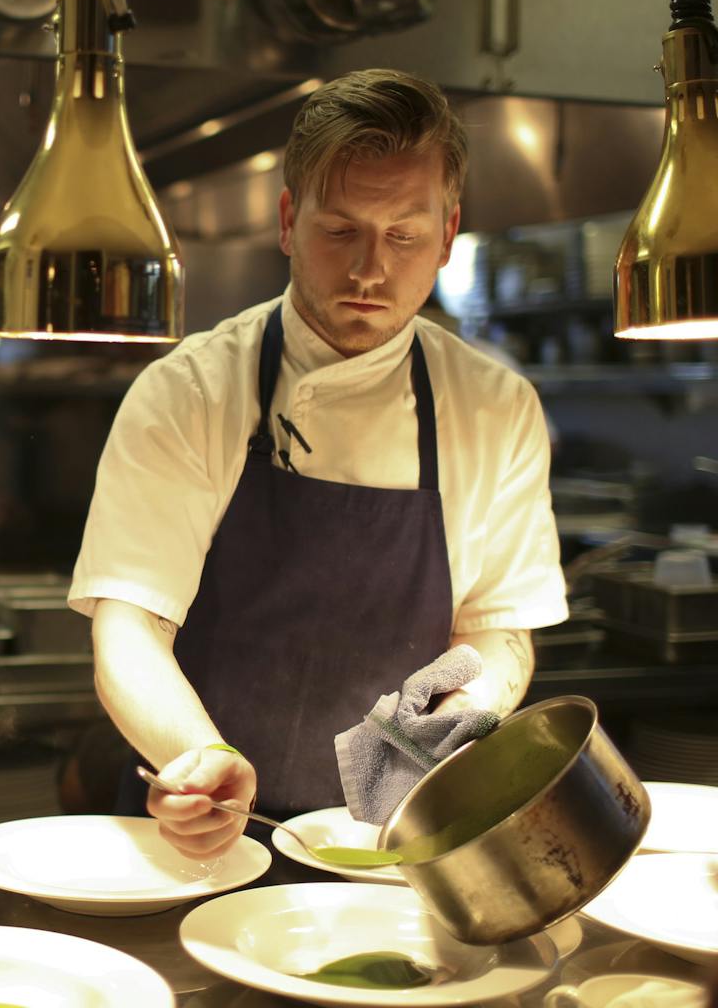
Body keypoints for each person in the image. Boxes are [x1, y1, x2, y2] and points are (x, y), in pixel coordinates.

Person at [69, 69, 567, 860]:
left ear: (447, 232)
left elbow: (497, 628)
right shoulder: (192, 389)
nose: (370, 270)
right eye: (341, 231)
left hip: (392, 839)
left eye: (404, 235)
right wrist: (201, 761)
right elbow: (131, 623)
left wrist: (460, 715)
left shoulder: (494, 407)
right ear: (288, 220)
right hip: (199, 834)